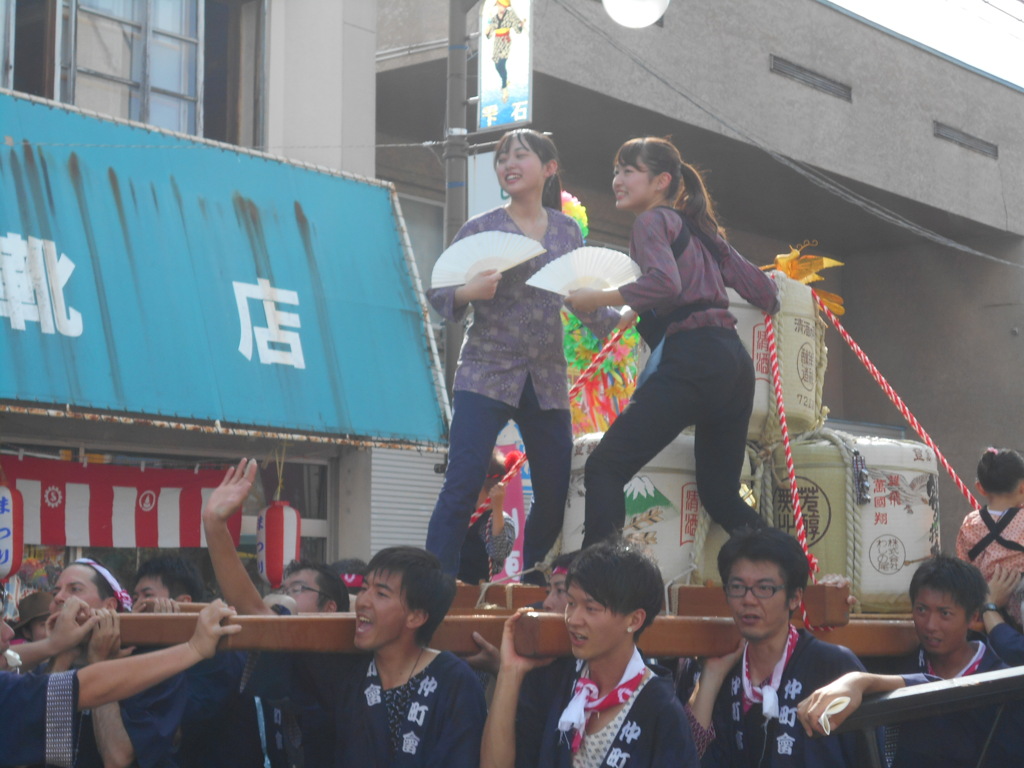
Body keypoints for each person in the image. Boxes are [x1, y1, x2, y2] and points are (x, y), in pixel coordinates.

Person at [565, 137, 779, 547]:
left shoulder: (652, 222)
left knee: (605, 468)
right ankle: (789, 569)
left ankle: (599, 579)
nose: (617, 180)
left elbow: (664, 284)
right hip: (733, 363)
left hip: (693, 360)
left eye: (629, 171)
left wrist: (600, 296)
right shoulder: (701, 231)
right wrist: (596, 308)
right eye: (616, 171)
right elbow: (767, 294)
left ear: (662, 180)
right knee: (720, 496)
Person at [425, 128, 619, 580]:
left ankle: (529, 578)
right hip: (485, 372)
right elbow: (439, 291)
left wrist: (626, 315)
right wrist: (470, 290)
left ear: (549, 168)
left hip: (546, 377)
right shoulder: (482, 227)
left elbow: (580, 298)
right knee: (464, 479)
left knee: (553, 490)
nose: (508, 164)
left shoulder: (567, 230)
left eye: (520, 156)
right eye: (501, 158)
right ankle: (434, 583)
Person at [204, 458, 487, 767]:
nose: (363, 600)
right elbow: (257, 613)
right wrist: (215, 526)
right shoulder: (347, 669)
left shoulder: (455, 681)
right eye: (364, 588)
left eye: (381, 593)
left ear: (417, 616)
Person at [481, 537, 699, 767]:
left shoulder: (661, 709)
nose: (573, 620)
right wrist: (509, 672)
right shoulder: (554, 681)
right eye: (572, 604)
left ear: (634, 620)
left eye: (591, 608)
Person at [797, 555, 1024, 768]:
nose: (930, 625)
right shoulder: (896, 666)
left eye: (944, 613)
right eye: (922, 610)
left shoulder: (1003, 681)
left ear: (974, 616)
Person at [0, 581, 239, 768]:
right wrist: (194, 648)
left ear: (109, 608)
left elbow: (117, 758)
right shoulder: (35, 675)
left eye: (75, 590)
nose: (60, 598)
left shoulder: (159, 677)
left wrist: (58, 647)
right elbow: (43, 753)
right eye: (56, 591)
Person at [687, 527, 871, 767]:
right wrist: (711, 677)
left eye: (764, 588)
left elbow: (868, 755)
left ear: (795, 597)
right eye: (737, 587)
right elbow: (686, 755)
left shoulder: (833, 665)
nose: (748, 600)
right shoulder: (720, 669)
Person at [956, 447, 1024, 626]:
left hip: (981, 612)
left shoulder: (970, 523)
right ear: (1023, 488)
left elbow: (964, 567)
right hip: (1018, 612)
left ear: (980, 488)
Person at [459, 448, 517, 584]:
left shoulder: (503, 519)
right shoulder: (460, 514)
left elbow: (498, 553)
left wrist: (497, 507)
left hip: (479, 588)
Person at [484, 0, 525, 103]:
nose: (502, 8)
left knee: (502, 62)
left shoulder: (510, 14)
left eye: (504, 6)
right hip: (497, 42)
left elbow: (517, 27)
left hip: (505, 41)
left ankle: (504, 86)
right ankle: (505, 81)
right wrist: (488, 25)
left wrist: (520, 25)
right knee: (497, 65)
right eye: (501, 5)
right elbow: (488, 35)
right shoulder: (494, 18)